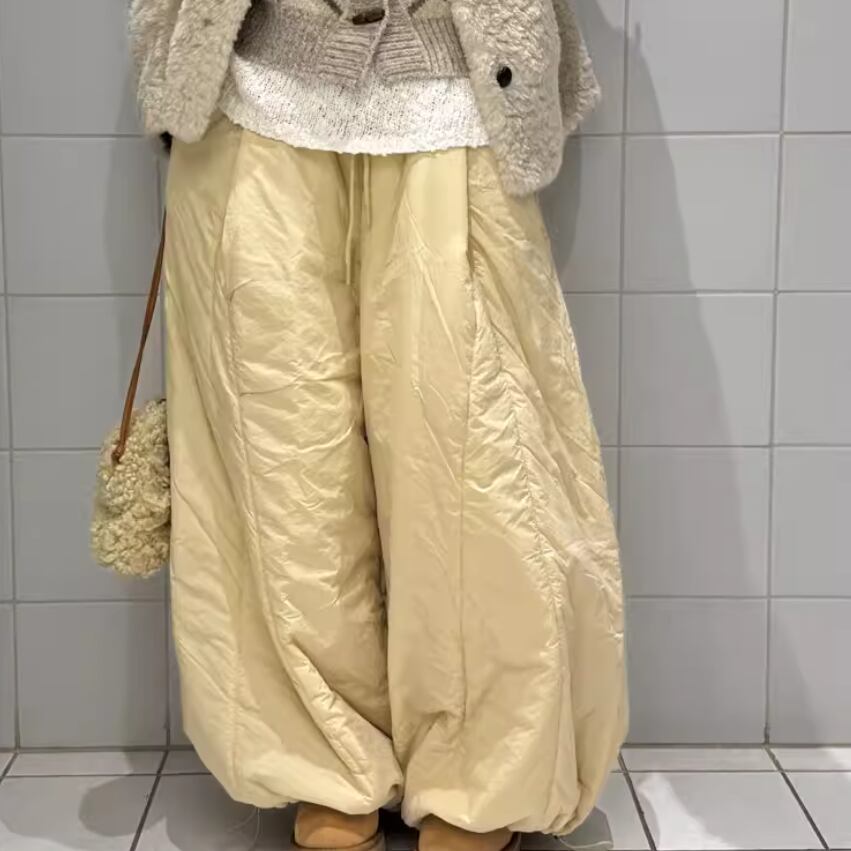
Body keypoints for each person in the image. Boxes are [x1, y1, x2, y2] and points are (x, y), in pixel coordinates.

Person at [129, 1, 627, 849]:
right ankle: (321, 754)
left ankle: (484, 766)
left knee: (476, 454)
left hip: (450, 93)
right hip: (254, 89)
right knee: (278, 456)